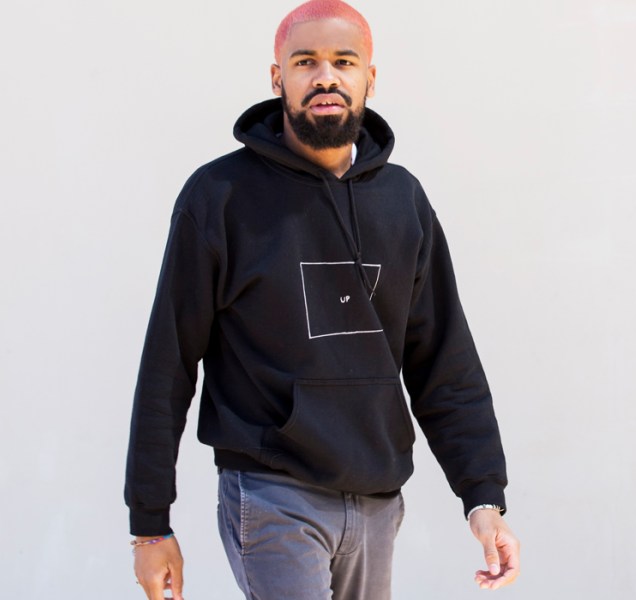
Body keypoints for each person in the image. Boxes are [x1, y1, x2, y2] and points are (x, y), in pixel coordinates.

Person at [125, 1, 520, 598]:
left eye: (344, 61)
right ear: (277, 77)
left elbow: (444, 361)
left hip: (377, 498)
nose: (325, 77)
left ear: (370, 78)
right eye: (305, 61)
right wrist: (150, 526)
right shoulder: (221, 196)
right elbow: (168, 362)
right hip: (272, 490)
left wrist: (483, 497)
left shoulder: (403, 201)